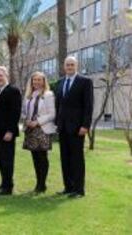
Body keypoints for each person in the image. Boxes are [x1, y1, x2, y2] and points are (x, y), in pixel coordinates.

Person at [55, 56, 93, 198]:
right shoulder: (60, 82)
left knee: (77, 159)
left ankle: (79, 190)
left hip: (77, 128)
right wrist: (56, 123)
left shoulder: (85, 82)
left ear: (76, 66)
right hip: (63, 127)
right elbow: (58, 105)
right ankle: (68, 187)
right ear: (64, 66)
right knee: (64, 158)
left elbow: (88, 105)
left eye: (72, 65)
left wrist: (85, 125)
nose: (69, 67)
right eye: (67, 65)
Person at [0, 66, 22, 196]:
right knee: (0, 158)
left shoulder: (13, 91)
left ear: (6, 75)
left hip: (7, 133)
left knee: (7, 159)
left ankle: (8, 187)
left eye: (0, 75)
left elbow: (15, 112)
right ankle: (4, 182)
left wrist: (10, 131)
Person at [21, 72, 56, 194]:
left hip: (42, 129)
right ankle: (38, 183)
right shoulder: (29, 96)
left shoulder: (48, 95)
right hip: (30, 130)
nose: (36, 82)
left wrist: (37, 122)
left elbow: (52, 114)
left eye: (39, 80)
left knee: (42, 157)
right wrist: (26, 119)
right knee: (35, 158)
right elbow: (25, 112)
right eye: (34, 80)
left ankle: (42, 184)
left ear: (44, 81)